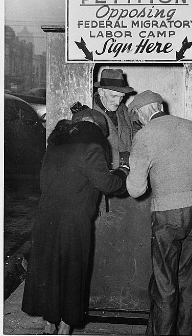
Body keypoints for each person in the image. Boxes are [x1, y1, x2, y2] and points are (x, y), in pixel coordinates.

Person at [21, 109, 129, 335]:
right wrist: (122, 172)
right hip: (73, 221)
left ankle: (49, 323)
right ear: (97, 128)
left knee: (49, 270)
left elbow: (43, 182)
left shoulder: (55, 146)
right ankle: (65, 326)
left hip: (45, 217)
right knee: (72, 270)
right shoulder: (92, 147)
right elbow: (107, 184)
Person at [126, 90, 192, 335]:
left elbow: (136, 190)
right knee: (191, 283)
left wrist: (130, 169)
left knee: (165, 284)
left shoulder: (145, 135)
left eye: (137, 116)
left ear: (143, 112)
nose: (139, 121)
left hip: (168, 216)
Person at [93, 68, 136, 169]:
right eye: (114, 96)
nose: (118, 102)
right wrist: (121, 159)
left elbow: (133, 132)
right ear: (101, 92)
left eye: (121, 97)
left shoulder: (123, 110)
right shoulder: (90, 114)